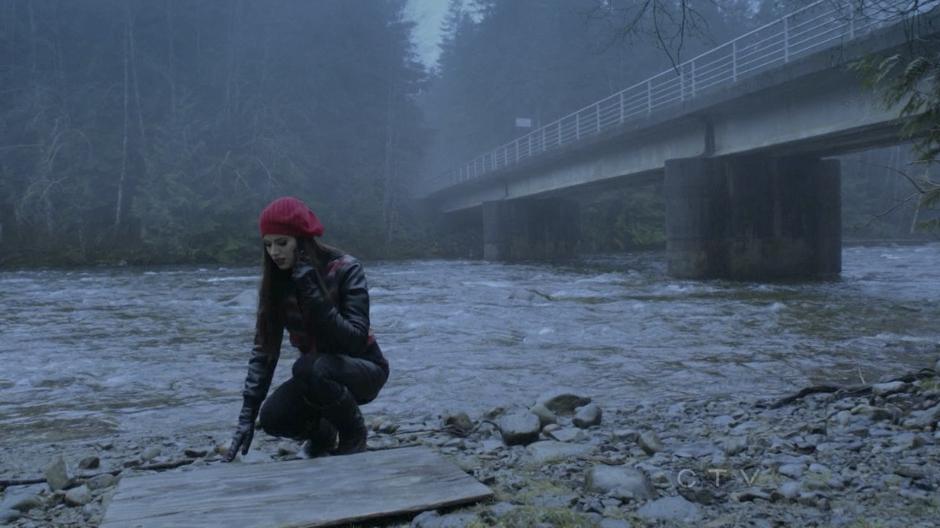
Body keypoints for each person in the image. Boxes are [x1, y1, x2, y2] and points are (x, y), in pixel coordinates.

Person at [224, 196, 389, 461]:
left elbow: (356, 341)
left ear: (302, 240)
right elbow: (264, 352)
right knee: (273, 418)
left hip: (364, 371)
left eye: (282, 243)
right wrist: (246, 417)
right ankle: (323, 435)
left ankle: (353, 433)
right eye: (268, 244)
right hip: (316, 376)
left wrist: (313, 292)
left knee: (307, 367)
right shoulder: (276, 285)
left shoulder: (347, 269)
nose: (274, 252)